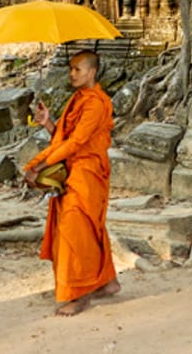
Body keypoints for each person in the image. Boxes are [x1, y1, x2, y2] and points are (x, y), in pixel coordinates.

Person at [22, 50, 120, 316]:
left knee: (74, 230)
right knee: (87, 228)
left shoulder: (96, 103)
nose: (72, 74)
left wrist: (41, 165)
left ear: (92, 72)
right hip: (73, 170)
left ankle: (79, 294)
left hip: (87, 172)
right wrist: (48, 124)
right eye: (70, 69)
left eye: (77, 69)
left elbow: (77, 143)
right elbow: (66, 139)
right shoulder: (78, 99)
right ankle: (107, 282)